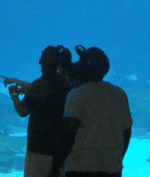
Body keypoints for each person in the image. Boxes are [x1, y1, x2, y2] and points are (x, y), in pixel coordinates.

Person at [48, 46, 132, 177]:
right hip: (112, 168)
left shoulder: (77, 94)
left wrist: (55, 166)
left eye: (81, 61)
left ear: (86, 67)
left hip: (80, 166)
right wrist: (118, 157)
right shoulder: (119, 94)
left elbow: (68, 133)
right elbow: (126, 131)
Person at [3, 46, 72, 177]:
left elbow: (22, 111)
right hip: (60, 149)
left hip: (38, 149)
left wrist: (14, 96)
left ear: (40, 62)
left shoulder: (39, 84)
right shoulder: (66, 84)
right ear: (58, 64)